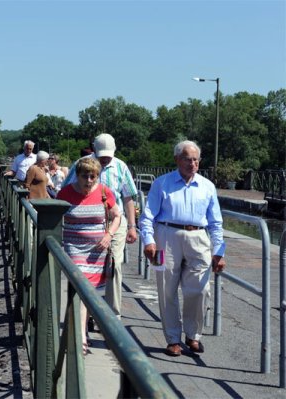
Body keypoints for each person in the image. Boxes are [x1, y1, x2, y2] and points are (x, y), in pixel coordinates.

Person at [139, 140, 226, 357]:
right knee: (166, 288)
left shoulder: (208, 186)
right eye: (187, 158)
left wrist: (220, 251)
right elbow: (147, 216)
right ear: (177, 159)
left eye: (196, 159)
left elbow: (216, 222)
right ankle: (173, 339)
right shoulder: (161, 183)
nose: (192, 163)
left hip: (199, 238)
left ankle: (193, 335)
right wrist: (148, 241)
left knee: (200, 288)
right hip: (164, 237)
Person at [63, 133, 138, 319]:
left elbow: (128, 198)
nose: (105, 159)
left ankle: (111, 316)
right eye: (101, 155)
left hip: (114, 221)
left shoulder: (120, 167)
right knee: (85, 269)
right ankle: (87, 314)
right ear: (94, 150)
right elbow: (65, 192)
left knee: (114, 265)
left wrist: (132, 226)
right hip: (85, 223)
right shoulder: (82, 164)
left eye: (108, 156)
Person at [57, 157, 121, 355]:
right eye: (85, 176)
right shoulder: (66, 193)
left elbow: (117, 215)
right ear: (77, 175)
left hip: (96, 251)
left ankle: (80, 331)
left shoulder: (104, 192)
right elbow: (54, 215)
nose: (89, 180)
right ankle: (81, 338)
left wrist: (109, 235)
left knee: (87, 294)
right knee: (81, 290)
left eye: (93, 176)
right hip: (73, 248)